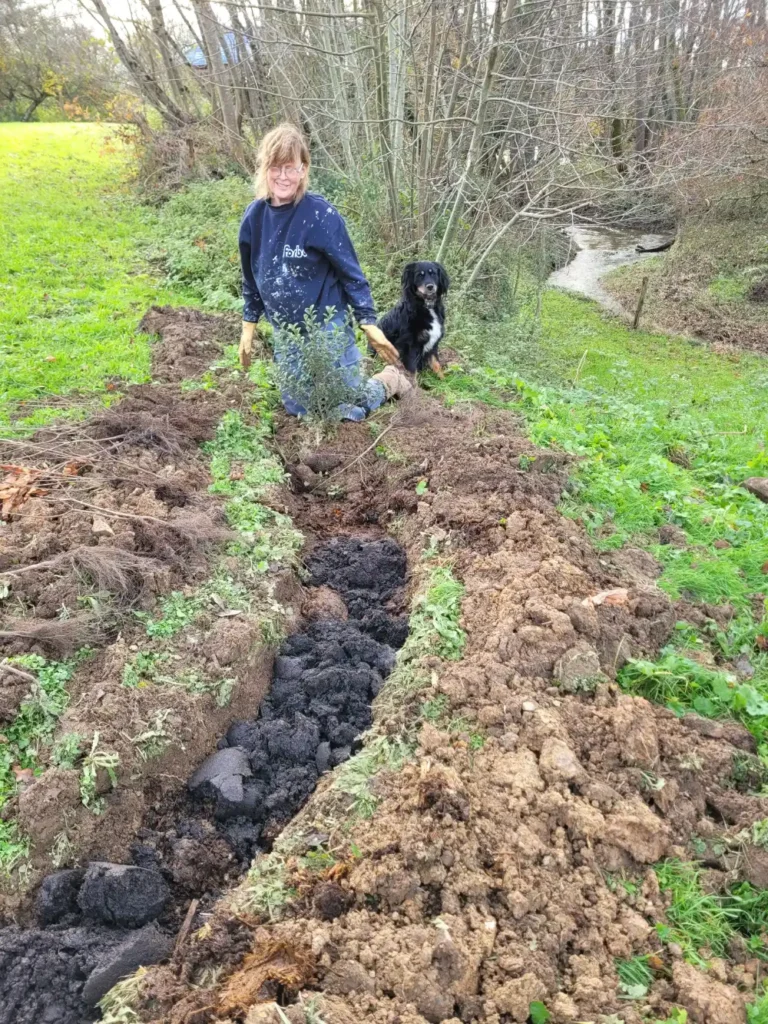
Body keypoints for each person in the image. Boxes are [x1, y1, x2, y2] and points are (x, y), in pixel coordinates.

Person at [238, 123, 411, 420]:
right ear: (265, 169)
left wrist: (368, 322)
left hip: (327, 325)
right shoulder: (254, 218)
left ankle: (389, 381)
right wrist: (248, 326)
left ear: (303, 169)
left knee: (346, 402)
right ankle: (337, 402)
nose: (283, 176)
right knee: (300, 408)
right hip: (287, 331)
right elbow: (251, 278)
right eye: (275, 167)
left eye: (290, 168)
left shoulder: (320, 215)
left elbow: (352, 275)